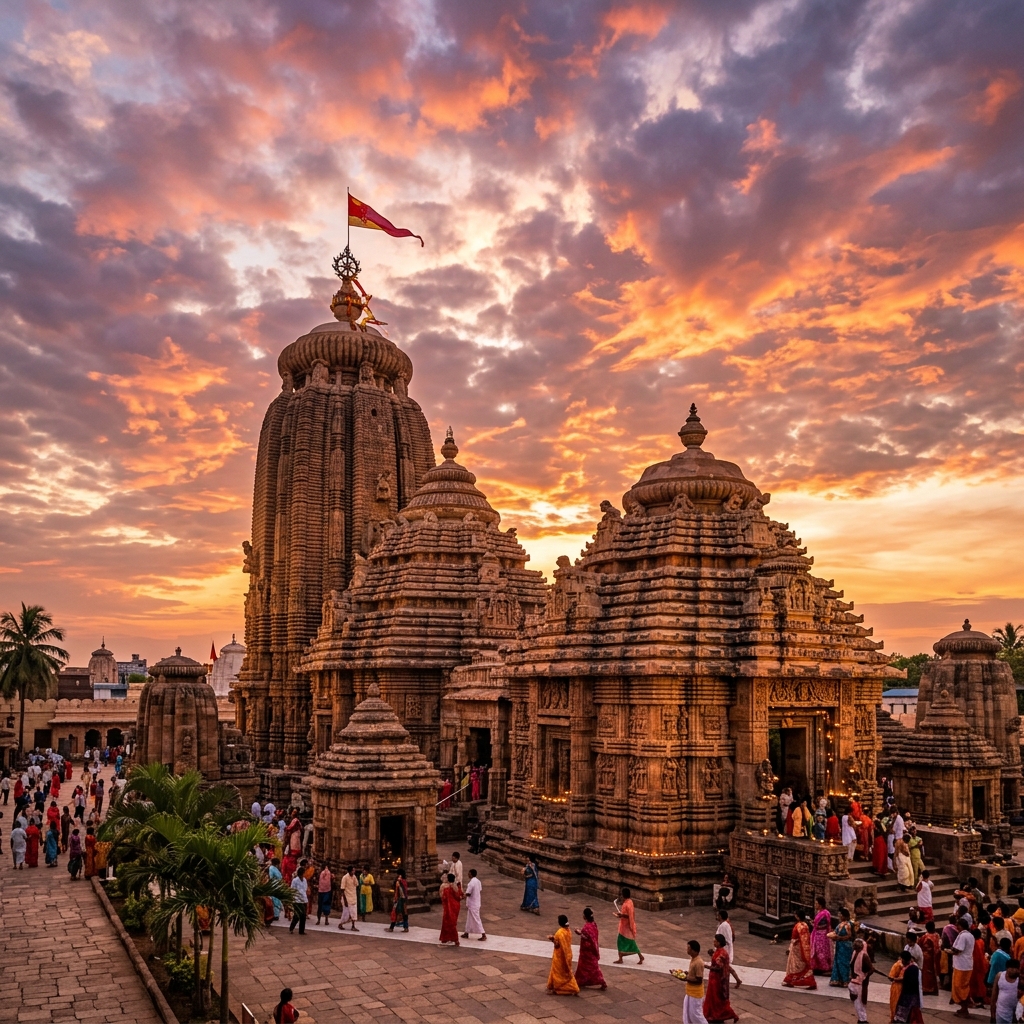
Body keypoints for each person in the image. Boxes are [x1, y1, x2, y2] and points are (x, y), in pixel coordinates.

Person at [703, 932, 740, 1023]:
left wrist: (706, 966)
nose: (713, 942)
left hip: (717, 980)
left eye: (715, 941)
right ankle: (712, 1014)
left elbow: (718, 967)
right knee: (713, 998)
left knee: (717, 999)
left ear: (719, 943)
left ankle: (727, 1014)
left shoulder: (721, 953)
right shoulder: (719, 951)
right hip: (714, 978)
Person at [545, 914, 579, 995]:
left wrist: (552, 939)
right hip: (568, 954)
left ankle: (558, 988)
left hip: (559, 956)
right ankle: (572, 987)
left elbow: (557, 945)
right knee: (567, 974)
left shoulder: (559, 933)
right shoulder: (568, 931)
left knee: (558, 973)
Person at [782, 908, 816, 988]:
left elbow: (795, 939)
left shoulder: (798, 926)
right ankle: (810, 981)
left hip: (797, 948)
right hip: (804, 948)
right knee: (804, 965)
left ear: (797, 917)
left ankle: (790, 980)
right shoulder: (805, 925)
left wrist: (790, 948)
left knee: (794, 965)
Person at [574, 907, 606, 990]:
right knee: (593, 967)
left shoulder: (586, 928)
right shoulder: (593, 925)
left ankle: (581, 980)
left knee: (587, 967)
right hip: (593, 949)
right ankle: (600, 981)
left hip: (586, 952)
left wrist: (579, 932)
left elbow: (585, 937)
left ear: (584, 917)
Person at [952, 918, 976, 1017]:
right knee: (963, 986)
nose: (956, 927)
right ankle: (963, 1008)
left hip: (962, 966)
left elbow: (958, 950)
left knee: (959, 987)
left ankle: (965, 1008)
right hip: (966, 965)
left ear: (961, 926)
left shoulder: (963, 936)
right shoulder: (970, 935)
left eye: (957, 925)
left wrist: (950, 951)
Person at [613, 887, 644, 964]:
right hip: (624, 925)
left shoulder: (627, 904)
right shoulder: (630, 902)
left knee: (625, 942)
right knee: (625, 942)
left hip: (626, 926)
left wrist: (621, 915)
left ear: (624, 895)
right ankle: (622, 957)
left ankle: (638, 956)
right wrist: (621, 914)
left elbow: (629, 916)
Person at [683, 939, 709, 1024]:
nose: (687, 950)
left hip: (696, 993)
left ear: (694, 950)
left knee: (696, 1015)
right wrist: (687, 974)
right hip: (690, 991)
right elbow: (693, 974)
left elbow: (699, 980)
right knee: (688, 1014)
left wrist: (686, 978)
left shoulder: (698, 962)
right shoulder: (693, 959)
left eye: (689, 948)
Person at [893, 950, 923, 1022]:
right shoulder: (915, 968)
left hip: (907, 996)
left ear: (903, 959)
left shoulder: (909, 969)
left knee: (902, 1016)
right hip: (915, 995)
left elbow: (907, 983)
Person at [849, 936, 873, 1023]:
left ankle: (863, 1019)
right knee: (856, 1002)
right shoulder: (855, 953)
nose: (855, 949)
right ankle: (860, 1018)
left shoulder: (864, 956)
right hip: (854, 981)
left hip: (861, 982)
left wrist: (864, 977)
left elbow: (871, 969)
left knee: (860, 1002)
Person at [829, 906, 854, 986]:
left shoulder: (847, 925)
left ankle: (845, 980)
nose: (839, 916)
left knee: (844, 963)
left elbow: (849, 936)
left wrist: (839, 938)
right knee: (838, 962)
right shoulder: (841, 924)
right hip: (840, 945)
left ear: (844, 916)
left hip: (845, 945)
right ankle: (837, 979)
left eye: (840, 915)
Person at [991, 958, 1021, 1023]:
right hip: (1001, 1013)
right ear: (1007, 968)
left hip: (1016, 1014)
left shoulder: (1020, 979)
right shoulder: (1000, 976)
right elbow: (994, 996)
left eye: (1016, 969)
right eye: (1012, 968)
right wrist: (992, 1015)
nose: (1014, 971)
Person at [438, 872, 463, 946]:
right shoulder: (455, 887)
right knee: (453, 923)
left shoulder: (443, 886)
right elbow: (459, 897)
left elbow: (441, 895)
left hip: (447, 907)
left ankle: (448, 938)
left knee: (446, 922)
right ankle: (453, 939)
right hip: (455, 907)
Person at [462, 868, 485, 940]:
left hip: (473, 904)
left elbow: (468, 893)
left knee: (476, 919)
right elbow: (479, 889)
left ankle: (483, 934)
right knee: (469, 919)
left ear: (471, 874)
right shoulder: (478, 881)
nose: (468, 874)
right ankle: (467, 932)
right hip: (476, 902)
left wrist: (463, 896)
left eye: (469, 873)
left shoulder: (471, 883)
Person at [810, 896, 832, 973]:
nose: (815, 905)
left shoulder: (825, 913)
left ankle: (824, 967)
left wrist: (815, 926)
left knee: (821, 952)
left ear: (820, 904)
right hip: (817, 934)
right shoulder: (819, 912)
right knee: (816, 951)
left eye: (816, 903)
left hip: (822, 935)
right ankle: (817, 966)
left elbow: (825, 925)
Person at [920, 918, 940, 995]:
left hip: (926, 957)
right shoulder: (937, 935)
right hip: (935, 956)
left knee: (926, 973)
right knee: (933, 973)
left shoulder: (925, 936)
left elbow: (920, 944)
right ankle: (933, 988)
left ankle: (926, 988)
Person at [289, 861, 308, 934]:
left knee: (303, 915)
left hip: (303, 899)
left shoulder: (304, 880)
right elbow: (292, 889)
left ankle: (301, 930)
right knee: (297, 915)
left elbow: (305, 888)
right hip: (296, 900)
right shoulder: (295, 880)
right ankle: (292, 927)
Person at [339, 866, 359, 931]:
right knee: (346, 913)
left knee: (354, 912)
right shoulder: (344, 878)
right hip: (347, 898)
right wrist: (345, 900)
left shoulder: (354, 877)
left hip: (353, 897)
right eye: (353, 870)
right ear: (349, 871)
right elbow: (342, 889)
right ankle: (341, 924)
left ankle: (353, 926)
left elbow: (356, 884)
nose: (354, 872)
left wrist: (354, 878)